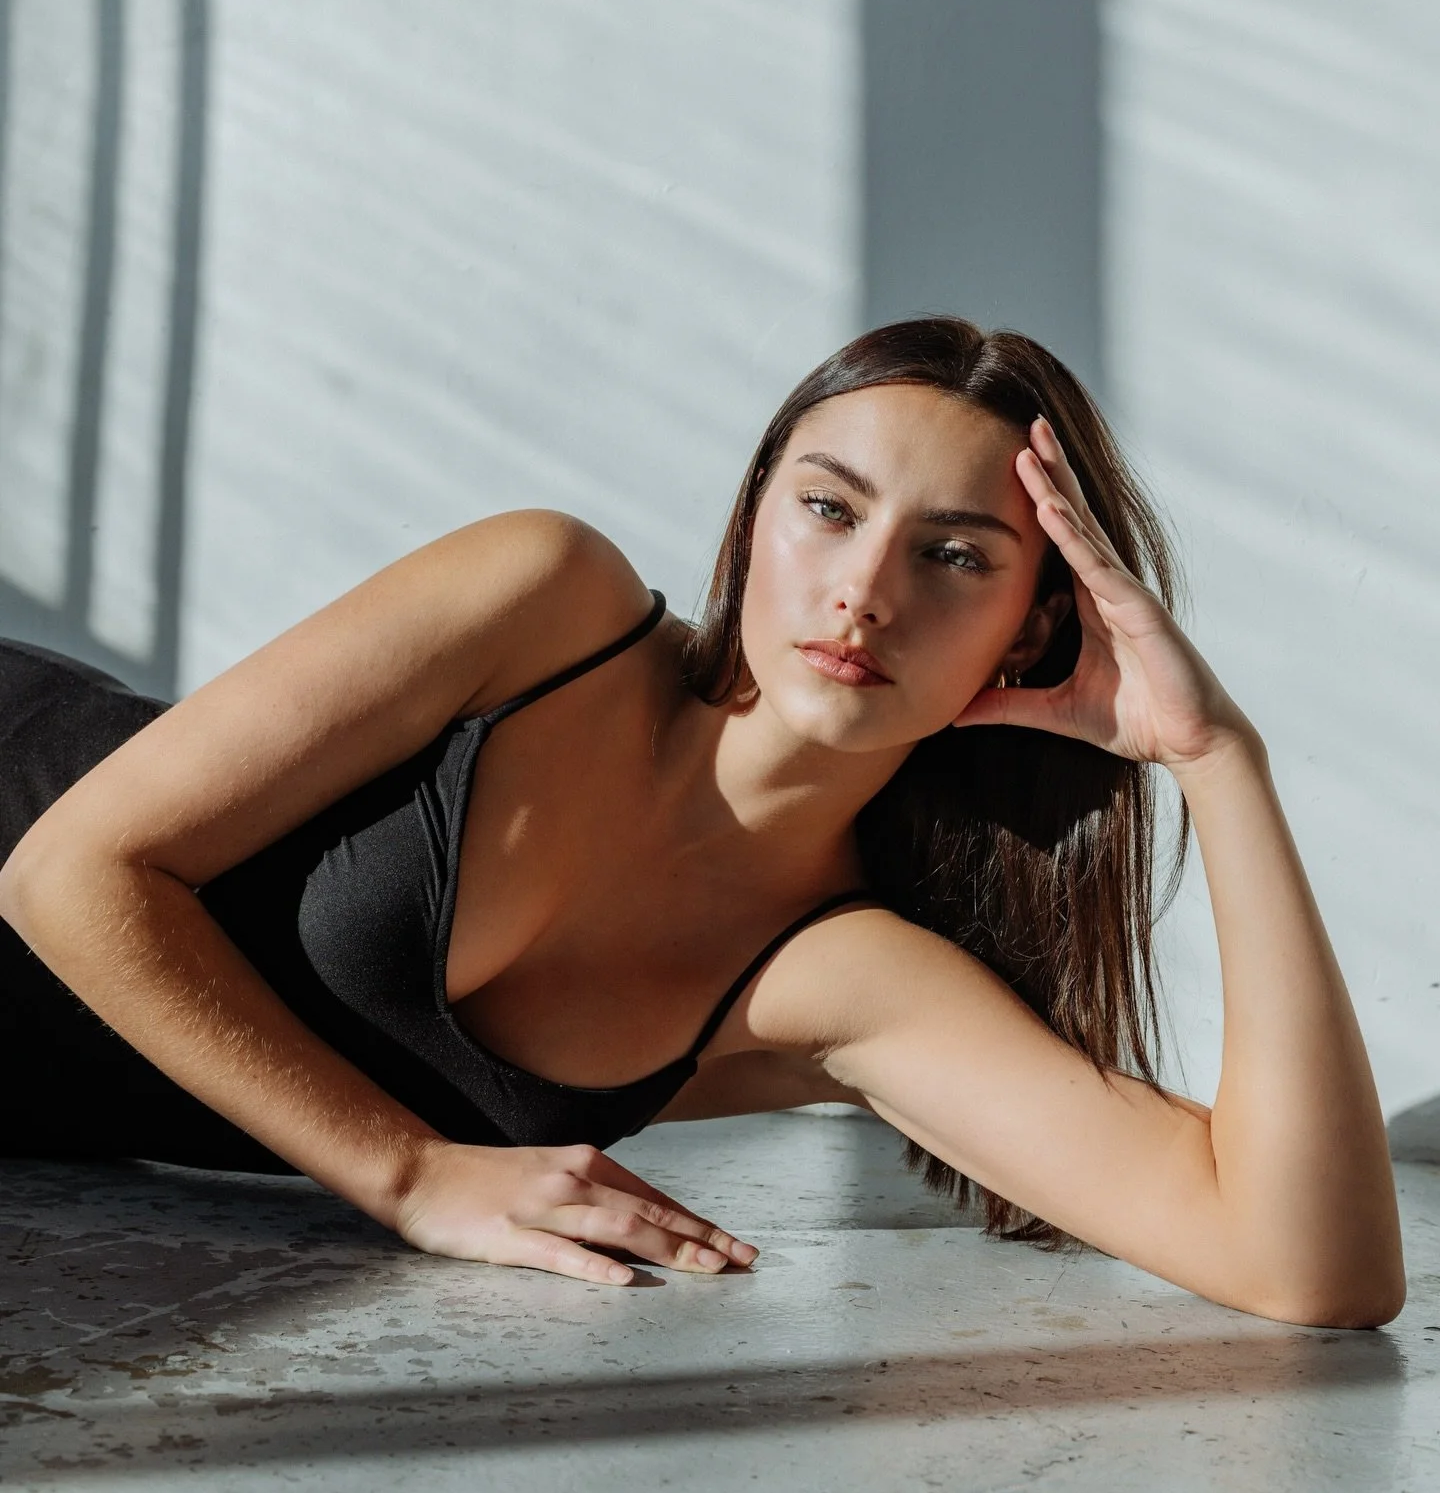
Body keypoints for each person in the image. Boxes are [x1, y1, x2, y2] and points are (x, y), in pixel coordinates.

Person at [0, 318, 1405, 1326]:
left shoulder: (842, 973)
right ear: (750, 523)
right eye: (828, 509)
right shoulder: (545, 605)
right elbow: (69, 870)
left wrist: (1219, 761)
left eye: (955, 554)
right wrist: (411, 1172)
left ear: (1035, 628)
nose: (864, 591)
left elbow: (1311, 1268)